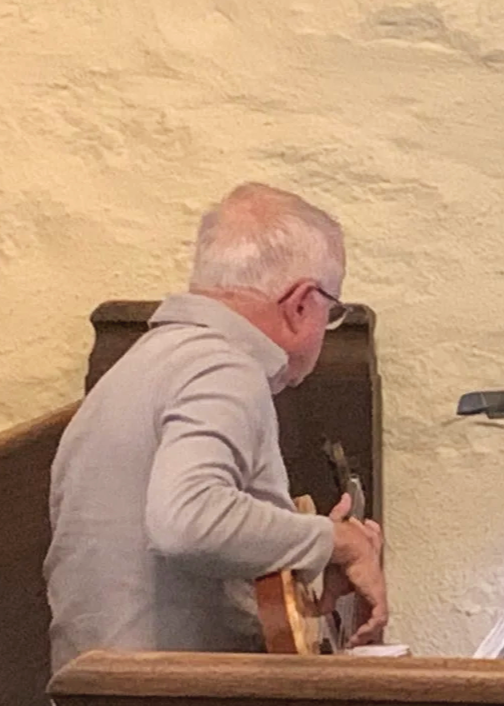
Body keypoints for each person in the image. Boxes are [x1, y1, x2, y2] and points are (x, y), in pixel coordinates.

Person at [46, 182, 388, 671]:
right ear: (300, 304)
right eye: (329, 314)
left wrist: (309, 547)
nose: (324, 331)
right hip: (161, 704)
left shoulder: (147, 363)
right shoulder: (222, 367)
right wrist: (336, 541)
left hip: (104, 692)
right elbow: (188, 522)